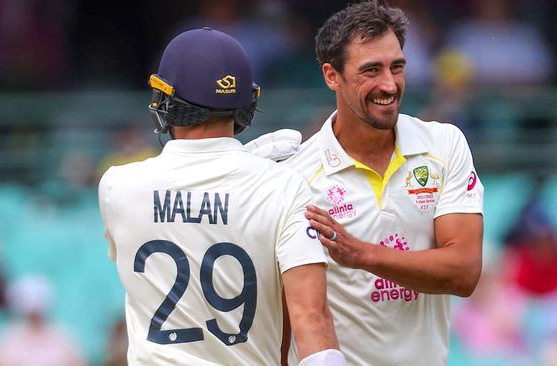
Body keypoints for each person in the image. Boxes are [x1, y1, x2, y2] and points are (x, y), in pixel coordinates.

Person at [98, 28, 344, 366]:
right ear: (247, 104)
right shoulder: (284, 187)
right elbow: (312, 318)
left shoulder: (117, 186)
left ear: (165, 101)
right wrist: (257, 173)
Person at [283, 2, 484, 365]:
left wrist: (363, 255)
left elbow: (465, 272)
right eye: (371, 70)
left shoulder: (444, 144)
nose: (389, 85)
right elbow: (289, 316)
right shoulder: (296, 175)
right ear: (332, 76)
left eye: (397, 67)